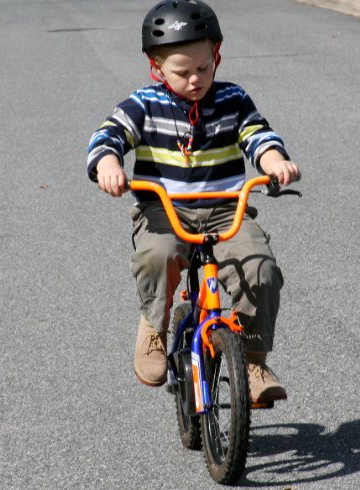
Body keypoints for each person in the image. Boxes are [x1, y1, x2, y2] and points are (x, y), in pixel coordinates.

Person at [86, 0, 300, 405]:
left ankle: (253, 360)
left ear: (216, 56)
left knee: (260, 269)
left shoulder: (233, 99)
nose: (195, 79)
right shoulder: (145, 104)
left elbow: (258, 135)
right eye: (182, 72)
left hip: (226, 208)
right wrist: (109, 164)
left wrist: (276, 162)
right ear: (157, 68)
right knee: (159, 255)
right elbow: (108, 135)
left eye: (204, 68)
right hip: (164, 210)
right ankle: (153, 325)